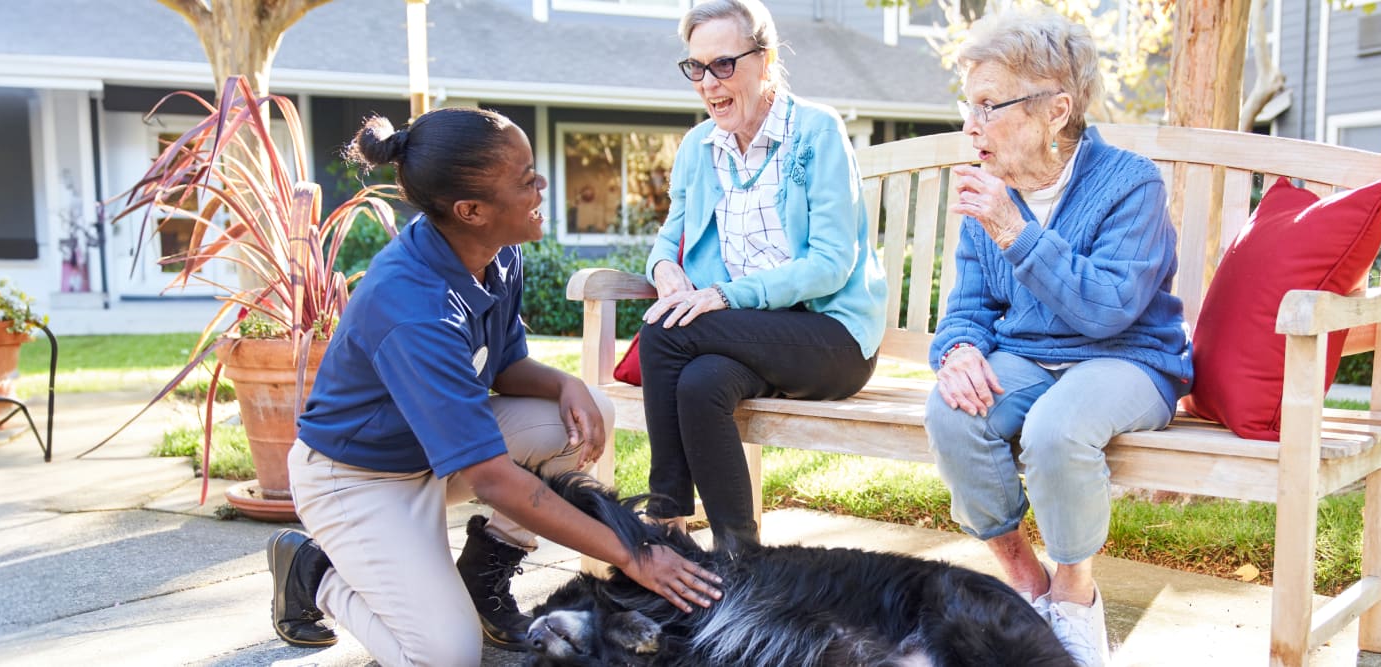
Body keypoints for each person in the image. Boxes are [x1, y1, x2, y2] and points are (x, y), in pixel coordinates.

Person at [266, 108, 722, 667]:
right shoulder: (411, 307)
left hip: (433, 457)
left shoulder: (496, 255)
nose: (541, 185)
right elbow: (496, 480)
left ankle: (483, 580)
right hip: (358, 479)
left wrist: (563, 382)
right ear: (472, 210)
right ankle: (316, 573)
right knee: (445, 657)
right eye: (525, 177)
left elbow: (501, 366)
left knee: (579, 416)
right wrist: (634, 556)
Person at [922, 9, 1193, 667]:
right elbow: (967, 308)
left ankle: (1074, 600)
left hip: (1128, 359)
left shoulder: (1130, 184)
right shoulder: (992, 191)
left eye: (989, 105)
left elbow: (1108, 308)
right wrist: (956, 351)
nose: (971, 125)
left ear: (1055, 110)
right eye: (970, 104)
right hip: (1029, 359)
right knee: (950, 412)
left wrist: (1015, 230)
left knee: (1054, 429)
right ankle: (1024, 584)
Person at [638, 0, 888, 550]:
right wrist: (664, 271)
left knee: (664, 330)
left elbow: (829, 264)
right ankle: (741, 561)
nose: (708, 83)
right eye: (696, 68)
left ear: (766, 59)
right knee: (701, 383)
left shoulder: (817, 132)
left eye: (723, 64)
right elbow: (670, 235)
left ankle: (663, 525)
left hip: (832, 339)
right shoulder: (698, 147)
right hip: (750, 337)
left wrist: (723, 296)